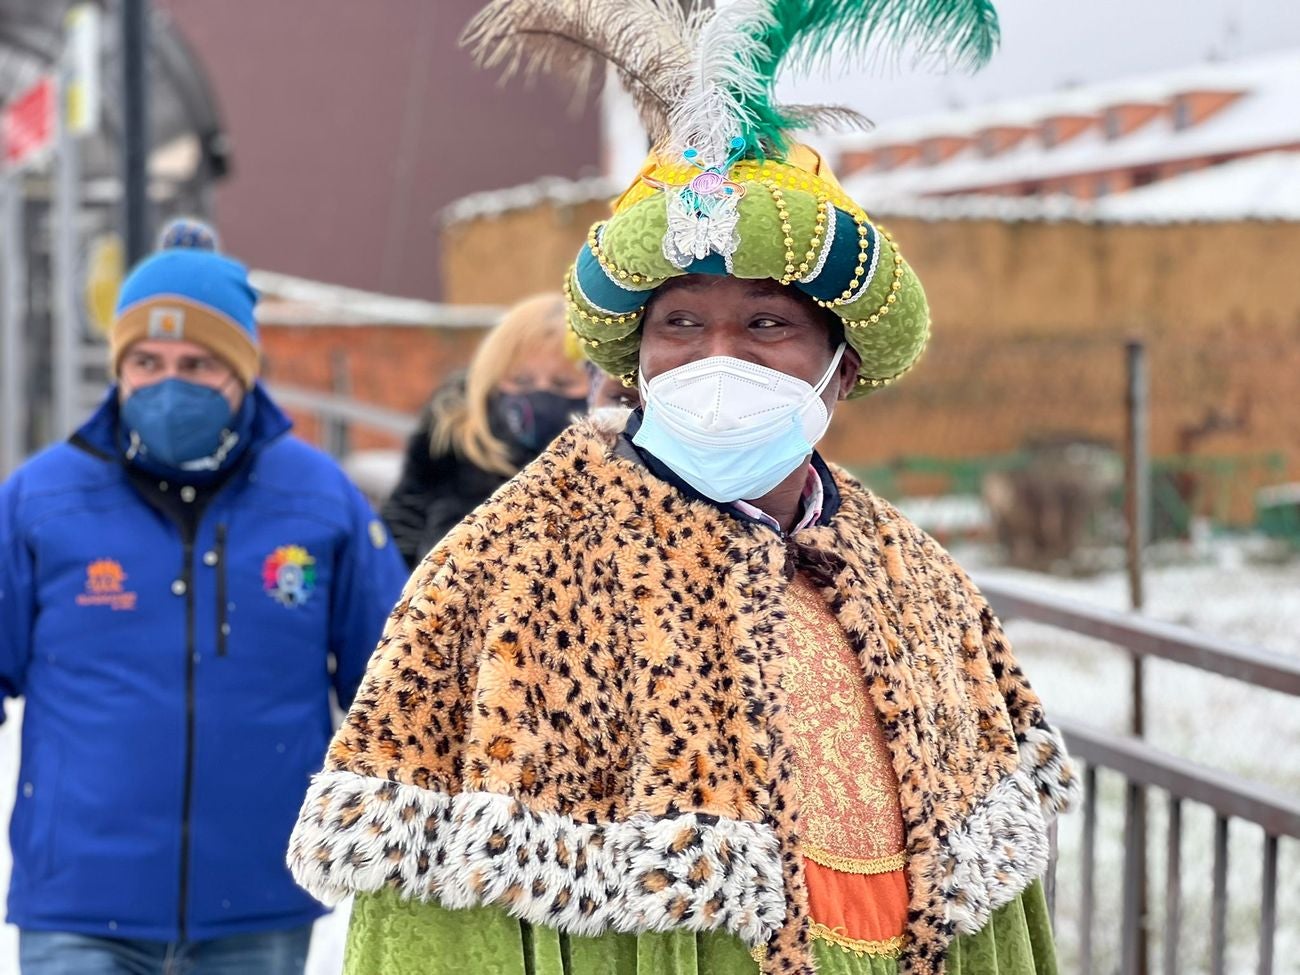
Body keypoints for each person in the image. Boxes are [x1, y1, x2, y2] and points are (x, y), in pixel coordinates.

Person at [288, 5, 1078, 975]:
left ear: (843, 365)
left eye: (764, 323)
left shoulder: (916, 582)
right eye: (681, 323)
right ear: (635, 357)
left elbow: (997, 908)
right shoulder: (510, 568)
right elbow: (429, 924)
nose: (717, 355)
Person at [0, 223, 408, 974]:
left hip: (256, 905)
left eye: (196, 364)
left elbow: (397, 690)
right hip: (79, 905)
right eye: (145, 362)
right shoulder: (39, 500)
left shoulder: (319, 500)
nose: (167, 384)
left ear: (243, 371)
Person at [381, 293, 589, 568]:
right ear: (493, 378)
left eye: (562, 383)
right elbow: (404, 522)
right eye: (522, 381)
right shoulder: (454, 432)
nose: (540, 395)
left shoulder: (617, 453)